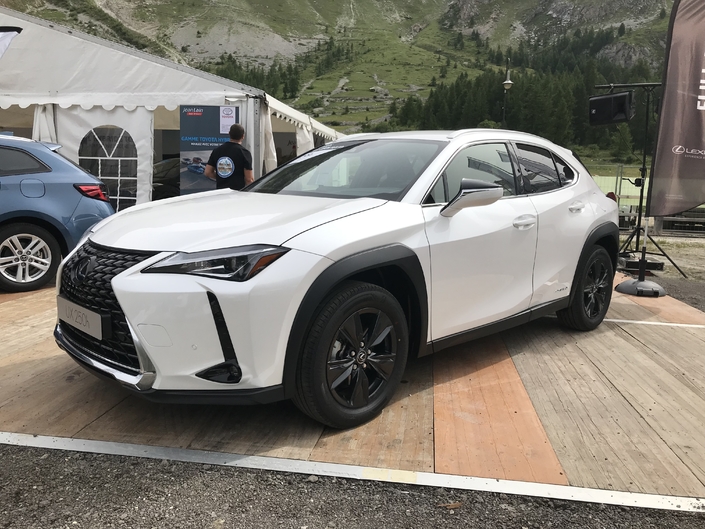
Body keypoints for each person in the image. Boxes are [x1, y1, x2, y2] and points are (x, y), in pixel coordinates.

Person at [205, 124, 254, 190]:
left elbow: (208, 172)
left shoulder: (217, 151)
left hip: (220, 193)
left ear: (229, 134)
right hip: (237, 193)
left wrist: (221, 177)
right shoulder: (244, 153)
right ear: (243, 136)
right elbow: (249, 179)